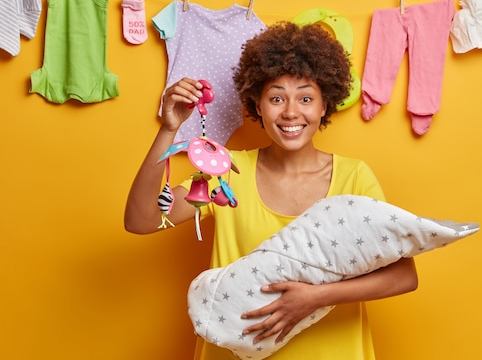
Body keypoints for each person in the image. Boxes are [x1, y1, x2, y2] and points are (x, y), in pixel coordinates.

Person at [124, 21, 419, 360]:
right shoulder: (226, 172)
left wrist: (315, 297)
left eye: (306, 98)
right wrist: (169, 129)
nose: (291, 112)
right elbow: (142, 219)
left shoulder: (355, 176)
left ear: (324, 105)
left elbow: (402, 275)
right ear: (258, 105)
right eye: (276, 97)